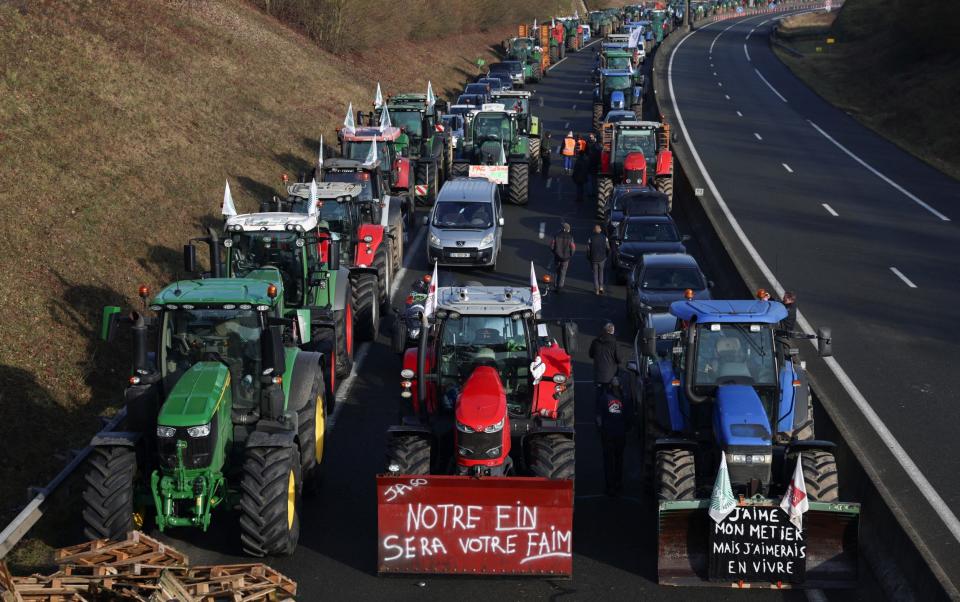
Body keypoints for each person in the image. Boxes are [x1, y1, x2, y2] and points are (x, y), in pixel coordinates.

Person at [595, 376, 634, 496]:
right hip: (619, 434)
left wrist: (600, 429)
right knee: (618, 459)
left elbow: (598, 417)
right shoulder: (625, 399)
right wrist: (626, 429)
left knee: (609, 461)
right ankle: (618, 483)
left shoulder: (604, 398)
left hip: (608, 433)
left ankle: (610, 486)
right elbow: (629, 417)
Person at [589, 322, 622, 403]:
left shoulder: (595, 341)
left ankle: (598, 412)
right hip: (611, 375)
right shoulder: (614, 343)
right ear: (612, 331)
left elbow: (591, 354)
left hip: (598, 374)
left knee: (599, 393)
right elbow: (619, 359)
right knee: (610, 394)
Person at [550, 222, 575, 292]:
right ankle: (560, 287)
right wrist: (570, 255)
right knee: (563, 272)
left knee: (557, 271)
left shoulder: (556, 236)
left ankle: (555, 285)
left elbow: (552, 246)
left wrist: (555, 253)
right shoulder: (570, 237)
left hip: (557, 257)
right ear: (567, 229)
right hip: (566, 259)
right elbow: (573, 248)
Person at [587, 224, 609, 295]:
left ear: (594, 230)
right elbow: (608, 248)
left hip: (593, 258)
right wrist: (606, 256)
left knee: (595, 274)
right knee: (601, 272)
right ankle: (601, 287)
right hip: (602, 258)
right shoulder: (604, 237)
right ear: (600, 230)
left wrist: (589, 257)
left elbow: (588, 249)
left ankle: (596, 290)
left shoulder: (591, 238)